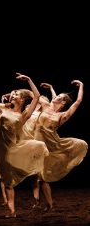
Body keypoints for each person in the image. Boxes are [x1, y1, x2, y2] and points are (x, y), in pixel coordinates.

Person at [0, 73, 48, 218]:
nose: (13, 95)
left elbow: (37, 96)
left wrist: (29, 80)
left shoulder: (24, 115)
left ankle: (37, 196)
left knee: (23, 175)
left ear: (22, 100)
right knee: (7, 182)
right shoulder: (4, 107)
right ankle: (12, 211)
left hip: (15, 148)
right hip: (0, 149)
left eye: (16, 94)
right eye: (13, 93)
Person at [34, 80, 88, 210]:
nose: (55, 97)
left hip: (51, 144)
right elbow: (33, 94)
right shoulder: (46, 106)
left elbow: (78, 101)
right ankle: (44, 203)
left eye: (58, 97)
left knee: (41, 176)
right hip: (36, 142)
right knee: (39, 176)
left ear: (63, 102)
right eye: (56, 95)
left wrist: (81, 86)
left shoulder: (62, 115)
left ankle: (48, 204)